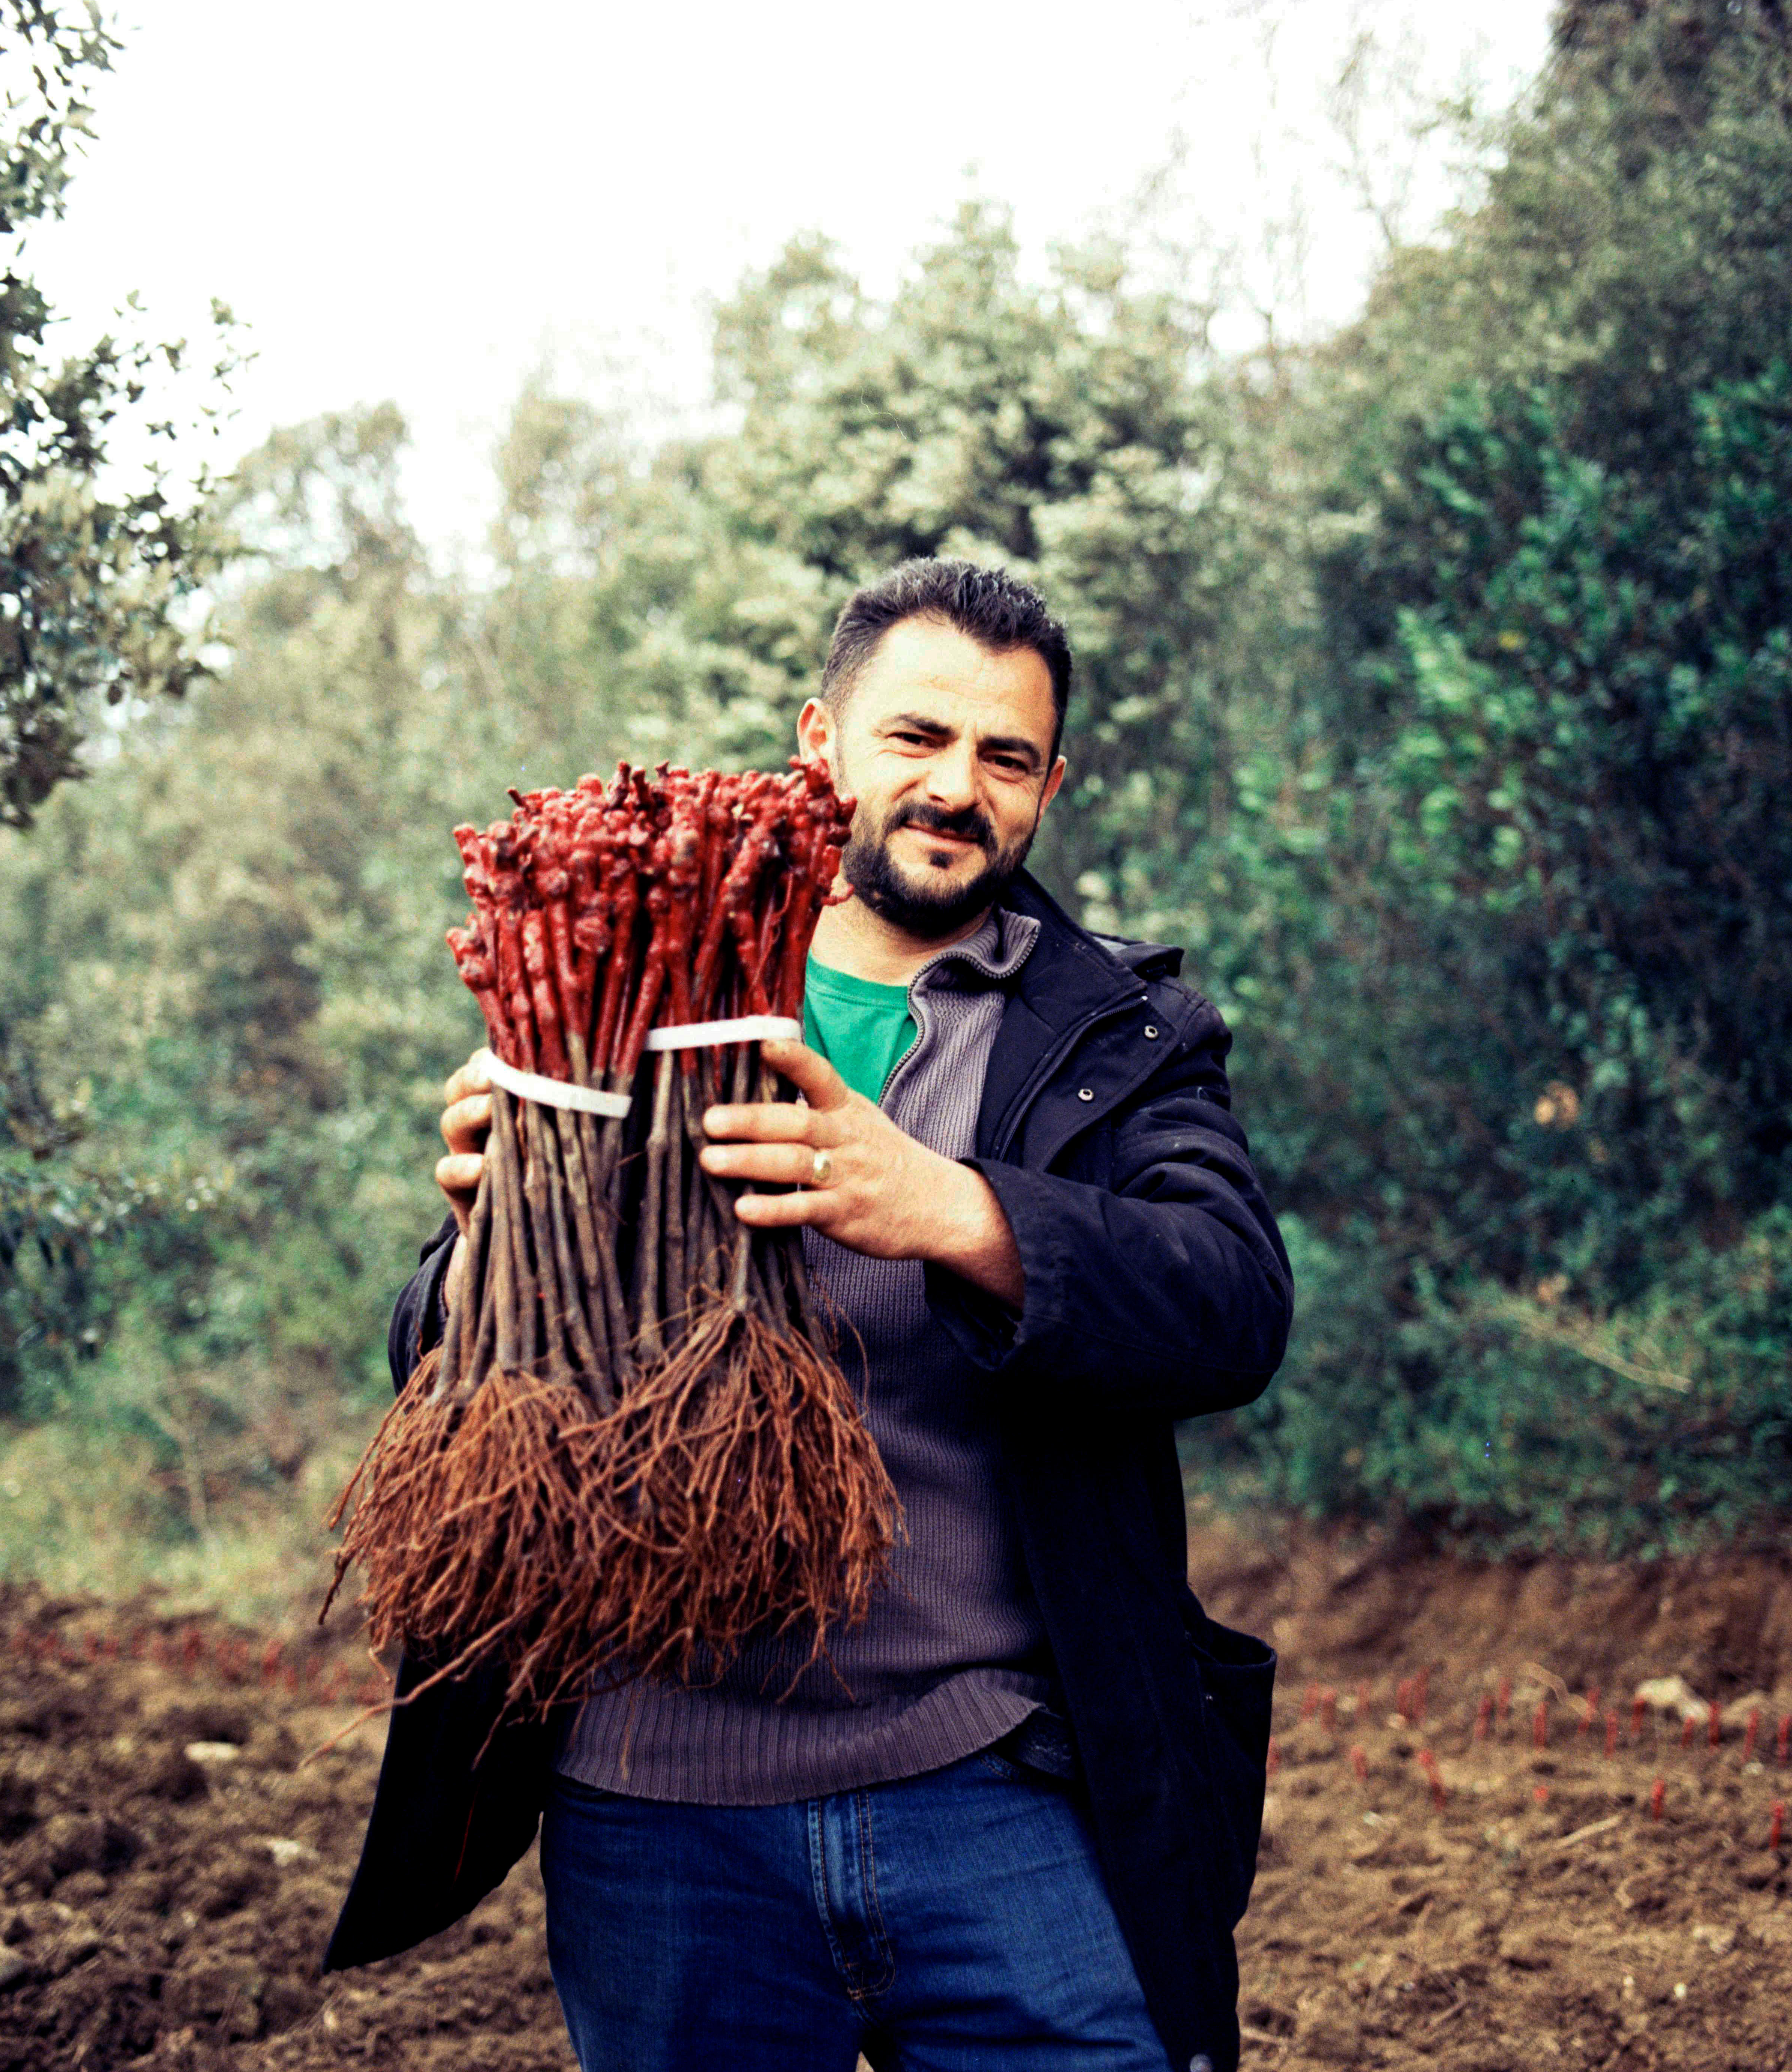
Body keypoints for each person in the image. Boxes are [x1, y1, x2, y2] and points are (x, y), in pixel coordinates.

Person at [324, 558, 1293, 2072]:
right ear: (819, 737)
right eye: (915, 737)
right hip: (657, 1803)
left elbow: (1229, 1303)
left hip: (999, 1790)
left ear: (1052, 783)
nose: (956, 788)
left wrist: (953, 1210)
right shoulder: (641, 974)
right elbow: (440, 1353)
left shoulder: (1120, 1032)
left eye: (1004, 757)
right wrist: (482, 1238)